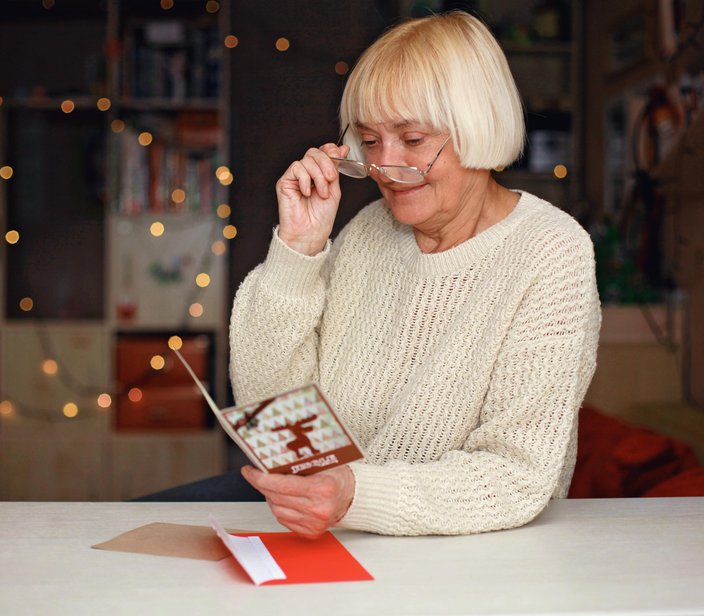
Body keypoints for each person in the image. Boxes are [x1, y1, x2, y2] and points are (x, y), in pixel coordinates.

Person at [228, 9, 601, 537]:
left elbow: (516, 474)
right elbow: (274, 417)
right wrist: (298, 250)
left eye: (413, 140)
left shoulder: (551, 250)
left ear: (477, 125)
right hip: (325, 534)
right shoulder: (368, 231)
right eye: (371, 141)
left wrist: (353, 493)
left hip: (465, 559)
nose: (385, 168)